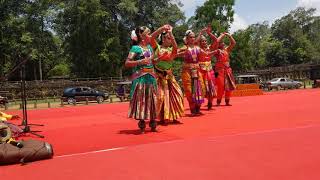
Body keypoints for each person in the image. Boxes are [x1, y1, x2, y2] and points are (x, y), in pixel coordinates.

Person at [149, 25, 184, 125]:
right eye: (169, 38)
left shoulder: (171, 50)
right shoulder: (157, 47)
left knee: (178, 94)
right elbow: (151, 38)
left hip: (169, 76)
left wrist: (171, 33)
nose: (171, 40)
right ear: (163, 39)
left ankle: (172, 115)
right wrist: (161, 29)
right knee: (161, 97)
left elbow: (176, 47)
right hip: (158, 76)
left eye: (171, 38)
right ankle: (162, 118)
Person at [124, 26, 157, 133]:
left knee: (152, 99)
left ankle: (153, 122)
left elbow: (152, 61)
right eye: (148, 34)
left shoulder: (150, 48)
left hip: (151, 77)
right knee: (141, 100)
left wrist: (158, 59)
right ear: (141, 36)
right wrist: (139, 62)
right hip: (141, 78)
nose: (150, 36)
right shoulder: (135, 48)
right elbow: (127, 63)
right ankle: (142, 123)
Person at [179, 30, 205, 116]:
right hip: (187, 71)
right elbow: (174, 53)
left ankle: (198, 107)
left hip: (197, 71)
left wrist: (215, 52)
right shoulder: (184, 48)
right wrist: (182, 53)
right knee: (189, 90)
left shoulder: (198, 48)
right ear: (187, 39)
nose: (193, 38)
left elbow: (207, 54)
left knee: (201, 88)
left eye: (194, 37)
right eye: (191, 37)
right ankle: (192, 109)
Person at [196, 25, 221, 110]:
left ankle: (210, 102)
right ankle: (198, 105)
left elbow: (216, 40)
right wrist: (200, 33)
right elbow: (195, 43)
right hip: (200, 70)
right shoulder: (198, 48)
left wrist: (209, 33)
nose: (204, 42)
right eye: (202, 41)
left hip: (209, 70)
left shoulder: (210, 48)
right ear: (200, 42)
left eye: (205, 41)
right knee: (201, 87)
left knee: (211, 86)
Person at [213, 32, 236, 106]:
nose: (222, 43)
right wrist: (222, 35)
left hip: (227, 70)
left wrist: (229, 35)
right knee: (221, 86)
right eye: (221, 42)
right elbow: (216, 41)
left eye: (223, 42)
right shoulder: (217, 51)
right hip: (219, 71)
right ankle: (218, 101)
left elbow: (233, 43)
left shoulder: (226, 50)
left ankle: (227, 101)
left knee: (229, 85)